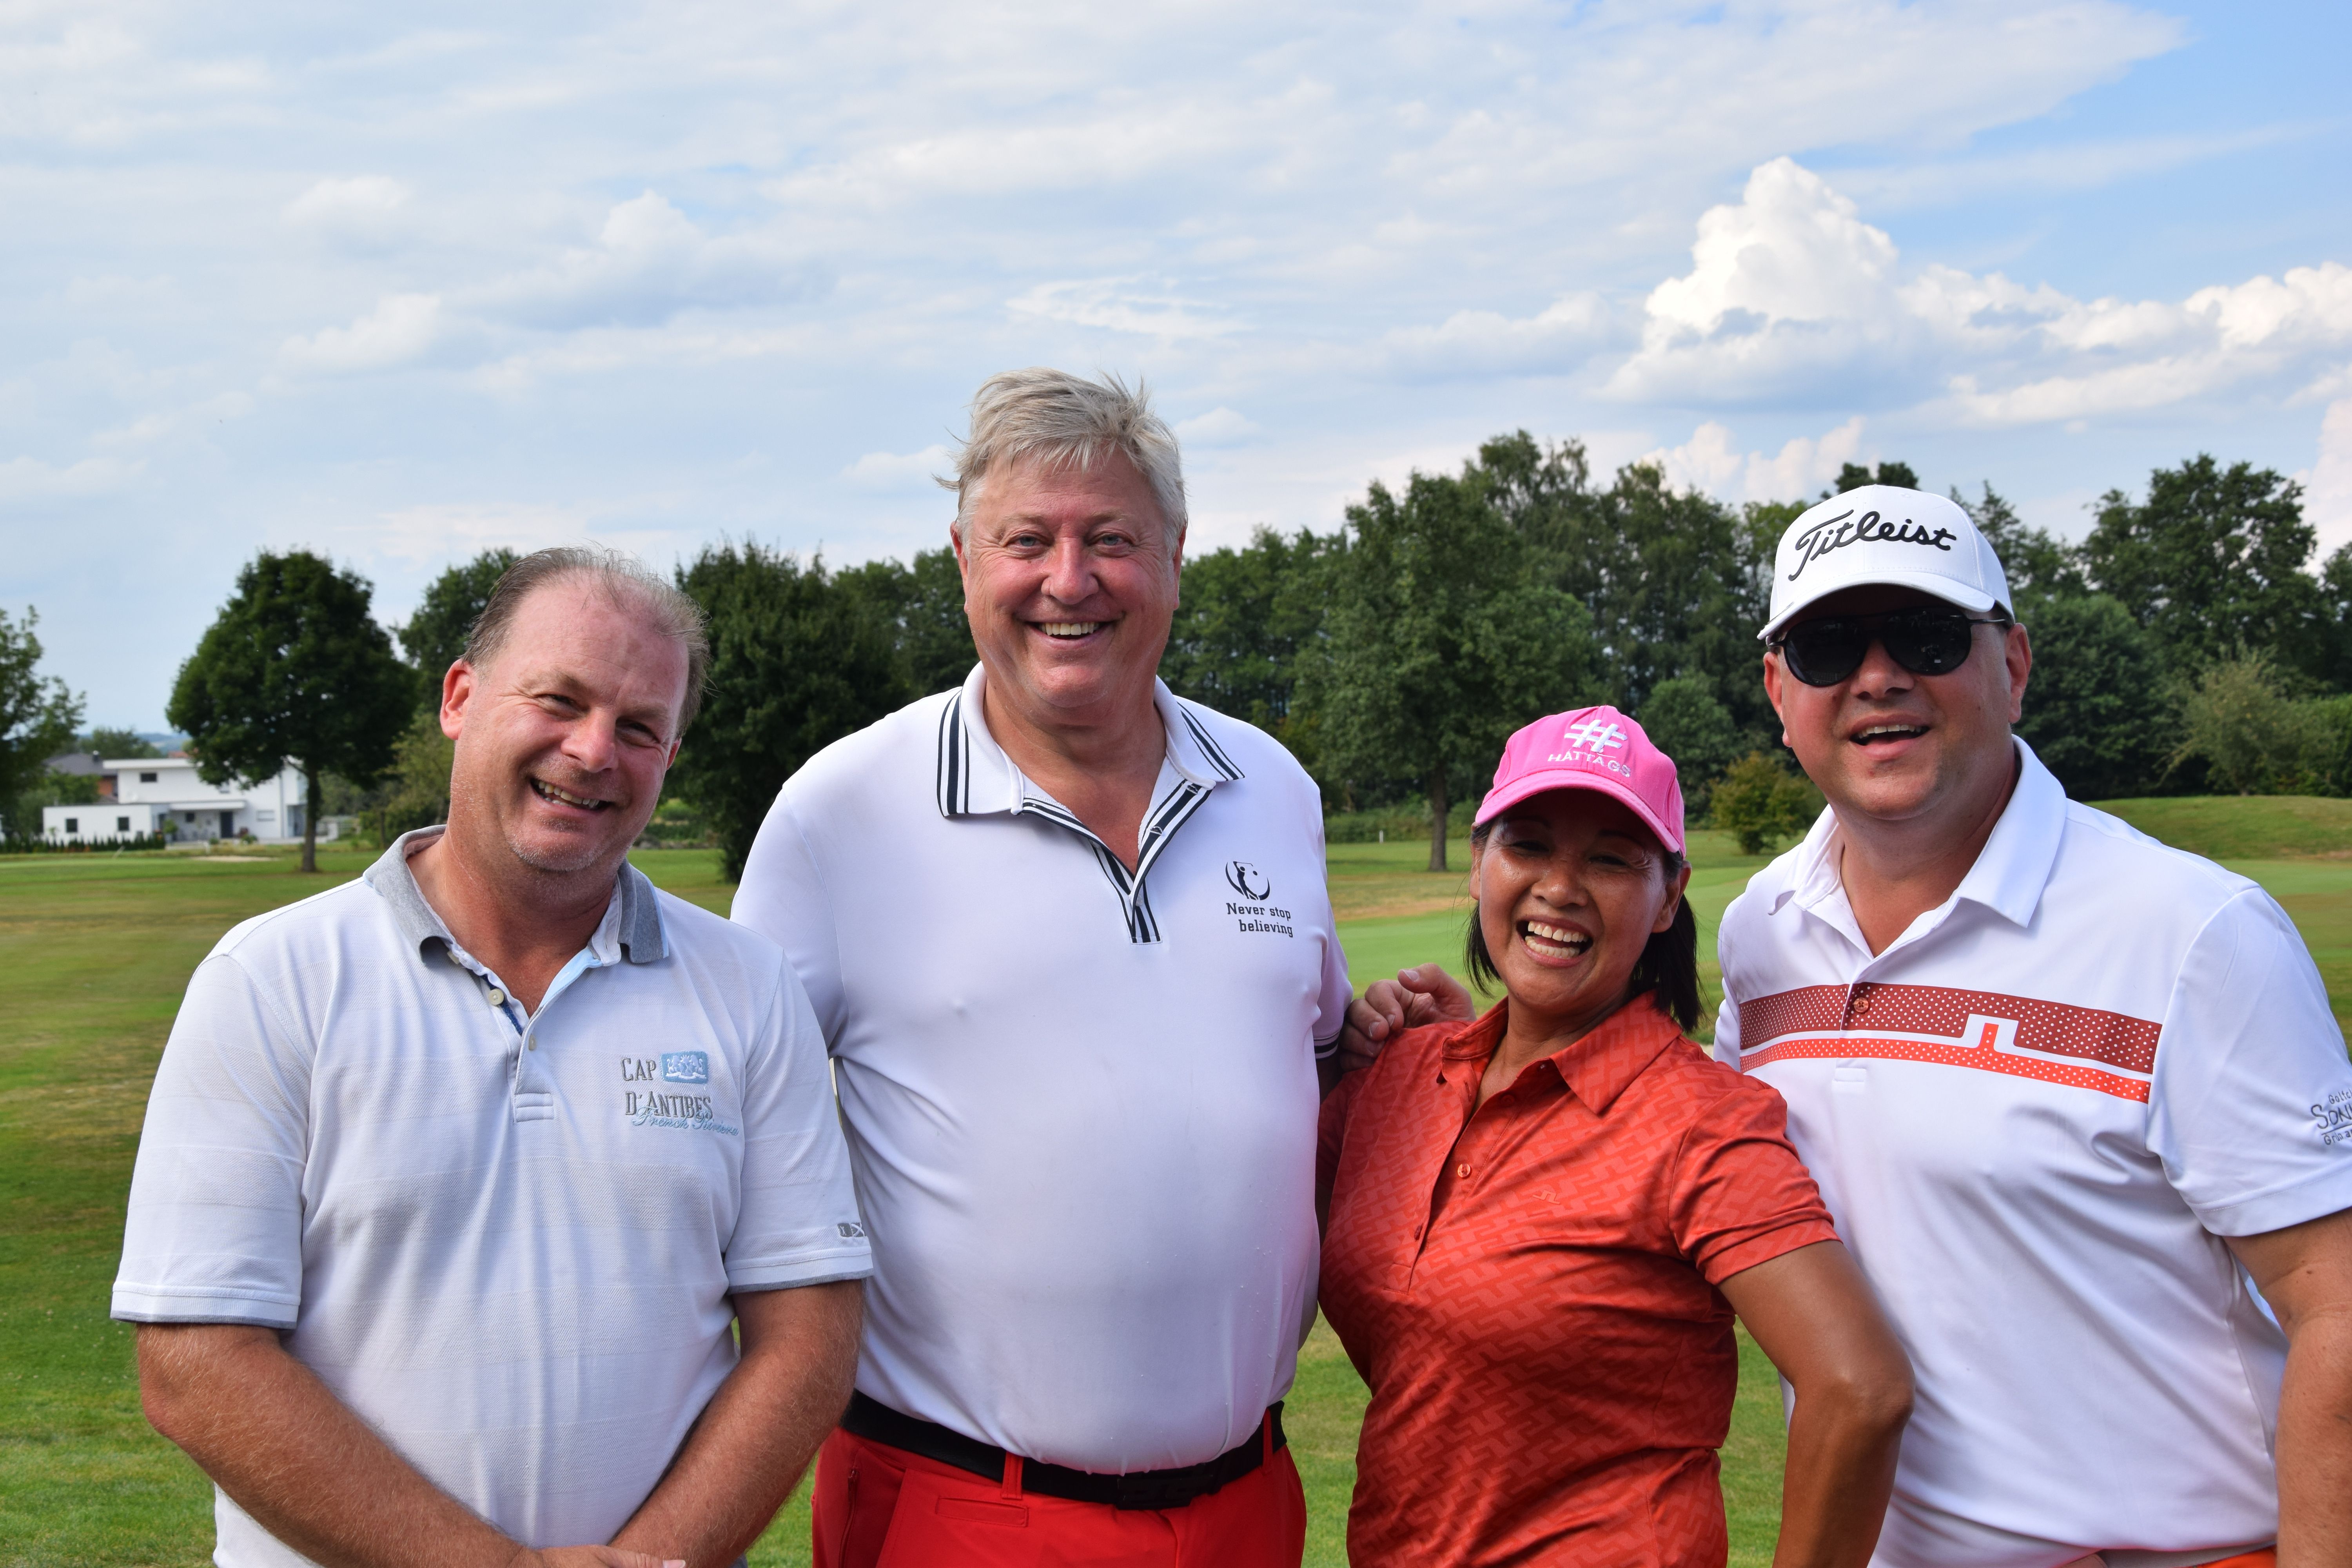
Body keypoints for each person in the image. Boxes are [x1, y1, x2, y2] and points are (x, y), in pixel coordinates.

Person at [1356, 486, 2352, 1568]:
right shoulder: (1766, 932)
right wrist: (1485, 1052)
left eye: (1927, 635)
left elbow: (2335, 1311)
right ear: (1780, 692)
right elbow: (1656, 1157)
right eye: (1828, 647)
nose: (1878, 676)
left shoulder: (2194, 932)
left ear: (2014, 664)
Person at [114, 548, 872, 1568]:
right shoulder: (271, 979)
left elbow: (809, 1338)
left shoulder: (748, 985)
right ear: (461, 698)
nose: (594, 750)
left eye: (638, 727)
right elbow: (197, 1362)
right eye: (558, 700)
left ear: (670, 754)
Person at [732, 368, 1350, 1568]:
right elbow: (731, 1153)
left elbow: (1318, 1070)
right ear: (963, 558)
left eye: (1112, 539)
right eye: (1028, 541)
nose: (1070, 580)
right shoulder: (838, 811)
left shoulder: (1274, 787)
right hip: (959, 1506)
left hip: (1248, 1506)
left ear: (1176, 557)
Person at [1319, 704, 1912, 1567]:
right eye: (1528, 845)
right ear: (1480, 863)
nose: (1561, 887)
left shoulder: (1700, 1121)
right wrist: (1348, 1054)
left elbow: (1859, 1387)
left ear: (1668, 895)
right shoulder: (1401, 1075)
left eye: (1609, 858)